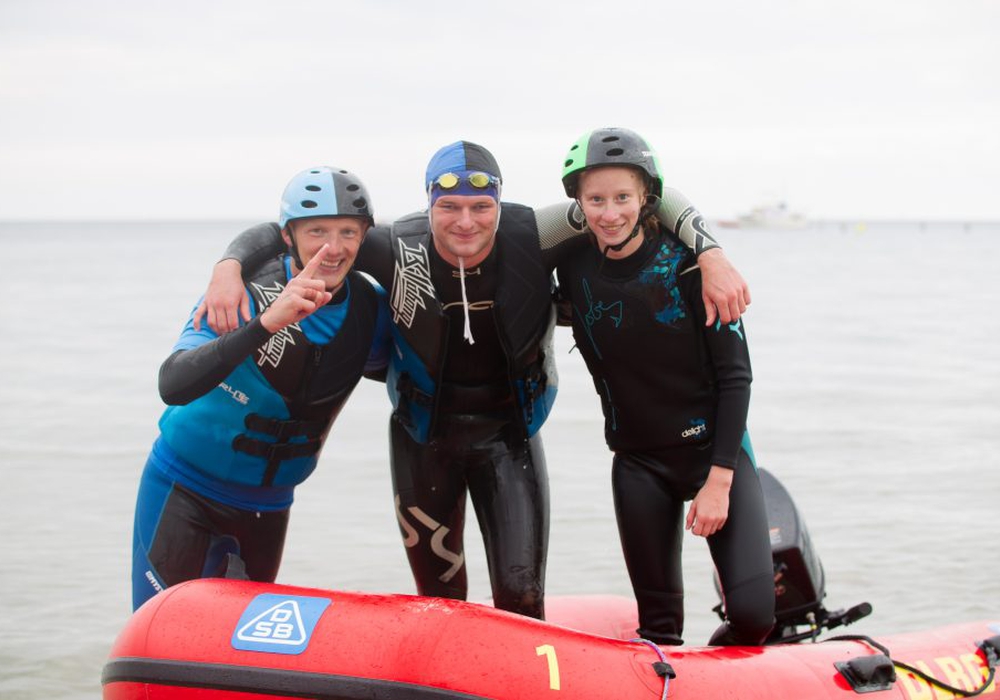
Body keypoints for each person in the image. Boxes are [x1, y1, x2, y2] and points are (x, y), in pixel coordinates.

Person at [195, 141, 750, 620]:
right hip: (421, 440)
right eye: (449, 207)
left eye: (481, 206)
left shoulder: (536, 232)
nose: (466, 221)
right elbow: (284, 233)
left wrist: (712, 253)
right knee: (440, 600)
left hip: (510, 439)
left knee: (522, 598)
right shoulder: (393, 246)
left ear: (498, 205)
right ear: (429, 205)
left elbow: (652, 197)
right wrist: (228, 268)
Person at [131, 166, 391, 610]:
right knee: (157, 630)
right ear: (288, 235)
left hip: (267, 510)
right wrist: (265, 323)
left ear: (364, 236)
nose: (333, 247)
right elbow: (172, 383)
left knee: (234, 641)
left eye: (348, 231)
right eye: (317, 231)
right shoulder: (241, 292)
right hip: (183, 490)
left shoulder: (370, 309)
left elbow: (408, 371)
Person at [555, 127, 775, 645]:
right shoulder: (572, 265)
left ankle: (719, 674)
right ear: (579, 203)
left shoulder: (693, 266)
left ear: (647, 198)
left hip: (712, 454)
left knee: (754, 618)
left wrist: (719, 480)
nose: (610, 213)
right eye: (596, 200)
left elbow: (736, 377)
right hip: (638, 464)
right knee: (658, 628)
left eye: (623, 197)